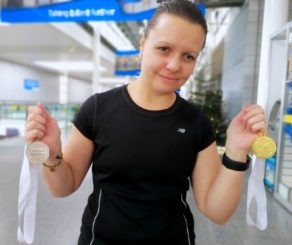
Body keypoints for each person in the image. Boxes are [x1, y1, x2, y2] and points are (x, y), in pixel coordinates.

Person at [25, 0, 266, 244]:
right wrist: (52, 153)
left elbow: (217, 211)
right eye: (164, 49)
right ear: (142, 44)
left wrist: (236, 151)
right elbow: (63, 187)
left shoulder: (196, 122)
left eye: (188, 56)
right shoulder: (98, 109)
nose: (174, 65)